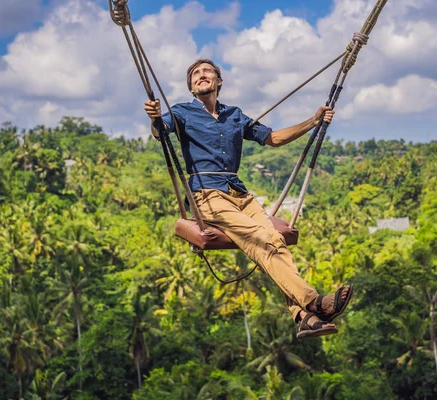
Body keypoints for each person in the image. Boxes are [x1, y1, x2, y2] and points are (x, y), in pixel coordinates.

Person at [144, 59, 353, 339]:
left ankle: (303, 317)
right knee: (261, 237)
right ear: (191, 87)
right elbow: (160, 130)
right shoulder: (181, 113)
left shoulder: (234, 115)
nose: (201, 75)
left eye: (207, 71)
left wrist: (313, 121)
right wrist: (155, 118)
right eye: (195, 74)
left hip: (240, 195)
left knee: (275, 242)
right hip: (207, 195)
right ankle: (314, 302)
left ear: (218, 82)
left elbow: (274, 138)